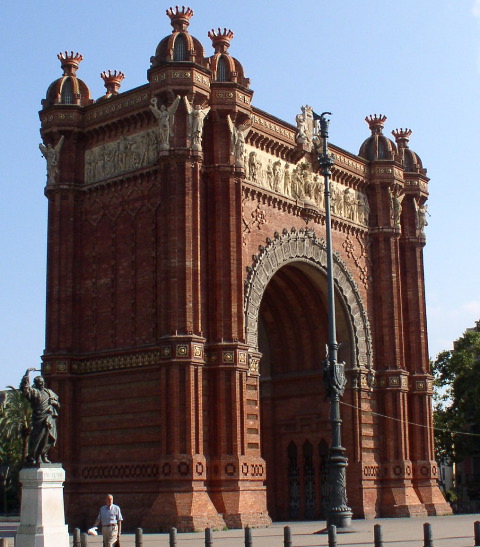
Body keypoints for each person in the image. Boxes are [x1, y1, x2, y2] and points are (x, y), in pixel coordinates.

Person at [20, 368, 60, 465]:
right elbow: (24, 388)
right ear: (36, 383)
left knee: (49, 438)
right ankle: (36, 456)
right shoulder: (33, 392)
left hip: (49, 418)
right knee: (38, 438)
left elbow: (58, 405)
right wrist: (27, 373)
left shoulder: (49, 392)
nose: (41, 384)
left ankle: (44, 455)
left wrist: (54, 402)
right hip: (39, 419)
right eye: (39, 382)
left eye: (42, 382)